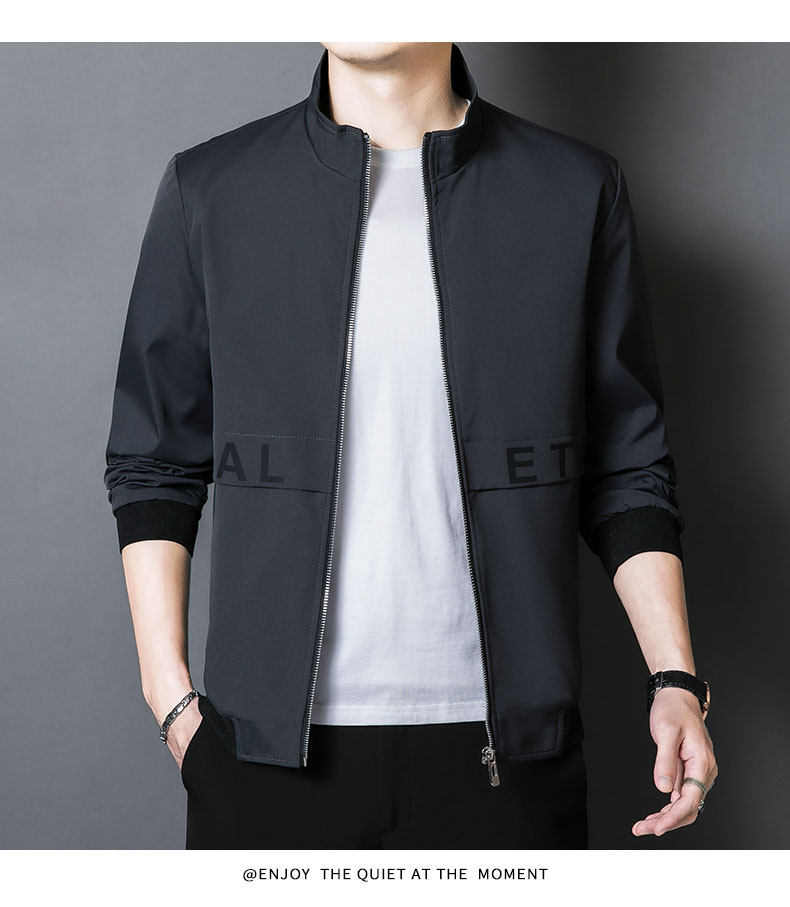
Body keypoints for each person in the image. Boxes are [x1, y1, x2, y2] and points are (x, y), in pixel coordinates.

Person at [103, 42, 718, 849]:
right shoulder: (213, 189)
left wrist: (674, 679)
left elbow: (627, 466)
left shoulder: (574, 189)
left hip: (510, 763)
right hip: (262, 760)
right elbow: (153, 459)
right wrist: (171, 700)